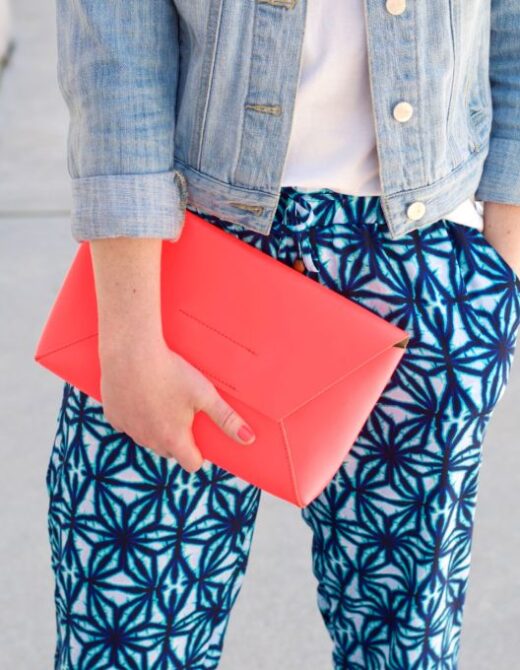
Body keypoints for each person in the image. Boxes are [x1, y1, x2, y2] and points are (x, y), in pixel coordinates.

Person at [47, 1, 520, 668]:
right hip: (187, 260)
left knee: (404, 647)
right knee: (130, 640)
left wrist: (498, 277)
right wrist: (130, 339)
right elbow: (116, 55)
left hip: (420, 266)